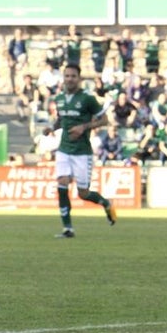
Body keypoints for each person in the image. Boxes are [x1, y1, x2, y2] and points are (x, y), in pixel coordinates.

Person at [50, 64, 117, 238]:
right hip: (64, 149)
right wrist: (51, 128)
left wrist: (84, 127)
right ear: (63, 78)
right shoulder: (59, 99)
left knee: (83, 193)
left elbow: (104, 120)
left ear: (79, 79)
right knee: (62, 182)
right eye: (67, 76)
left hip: (82, 152)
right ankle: (68, 229)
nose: (70, 79)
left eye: (73, 76)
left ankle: (106, 203)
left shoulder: (87, 99)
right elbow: (61, 120)